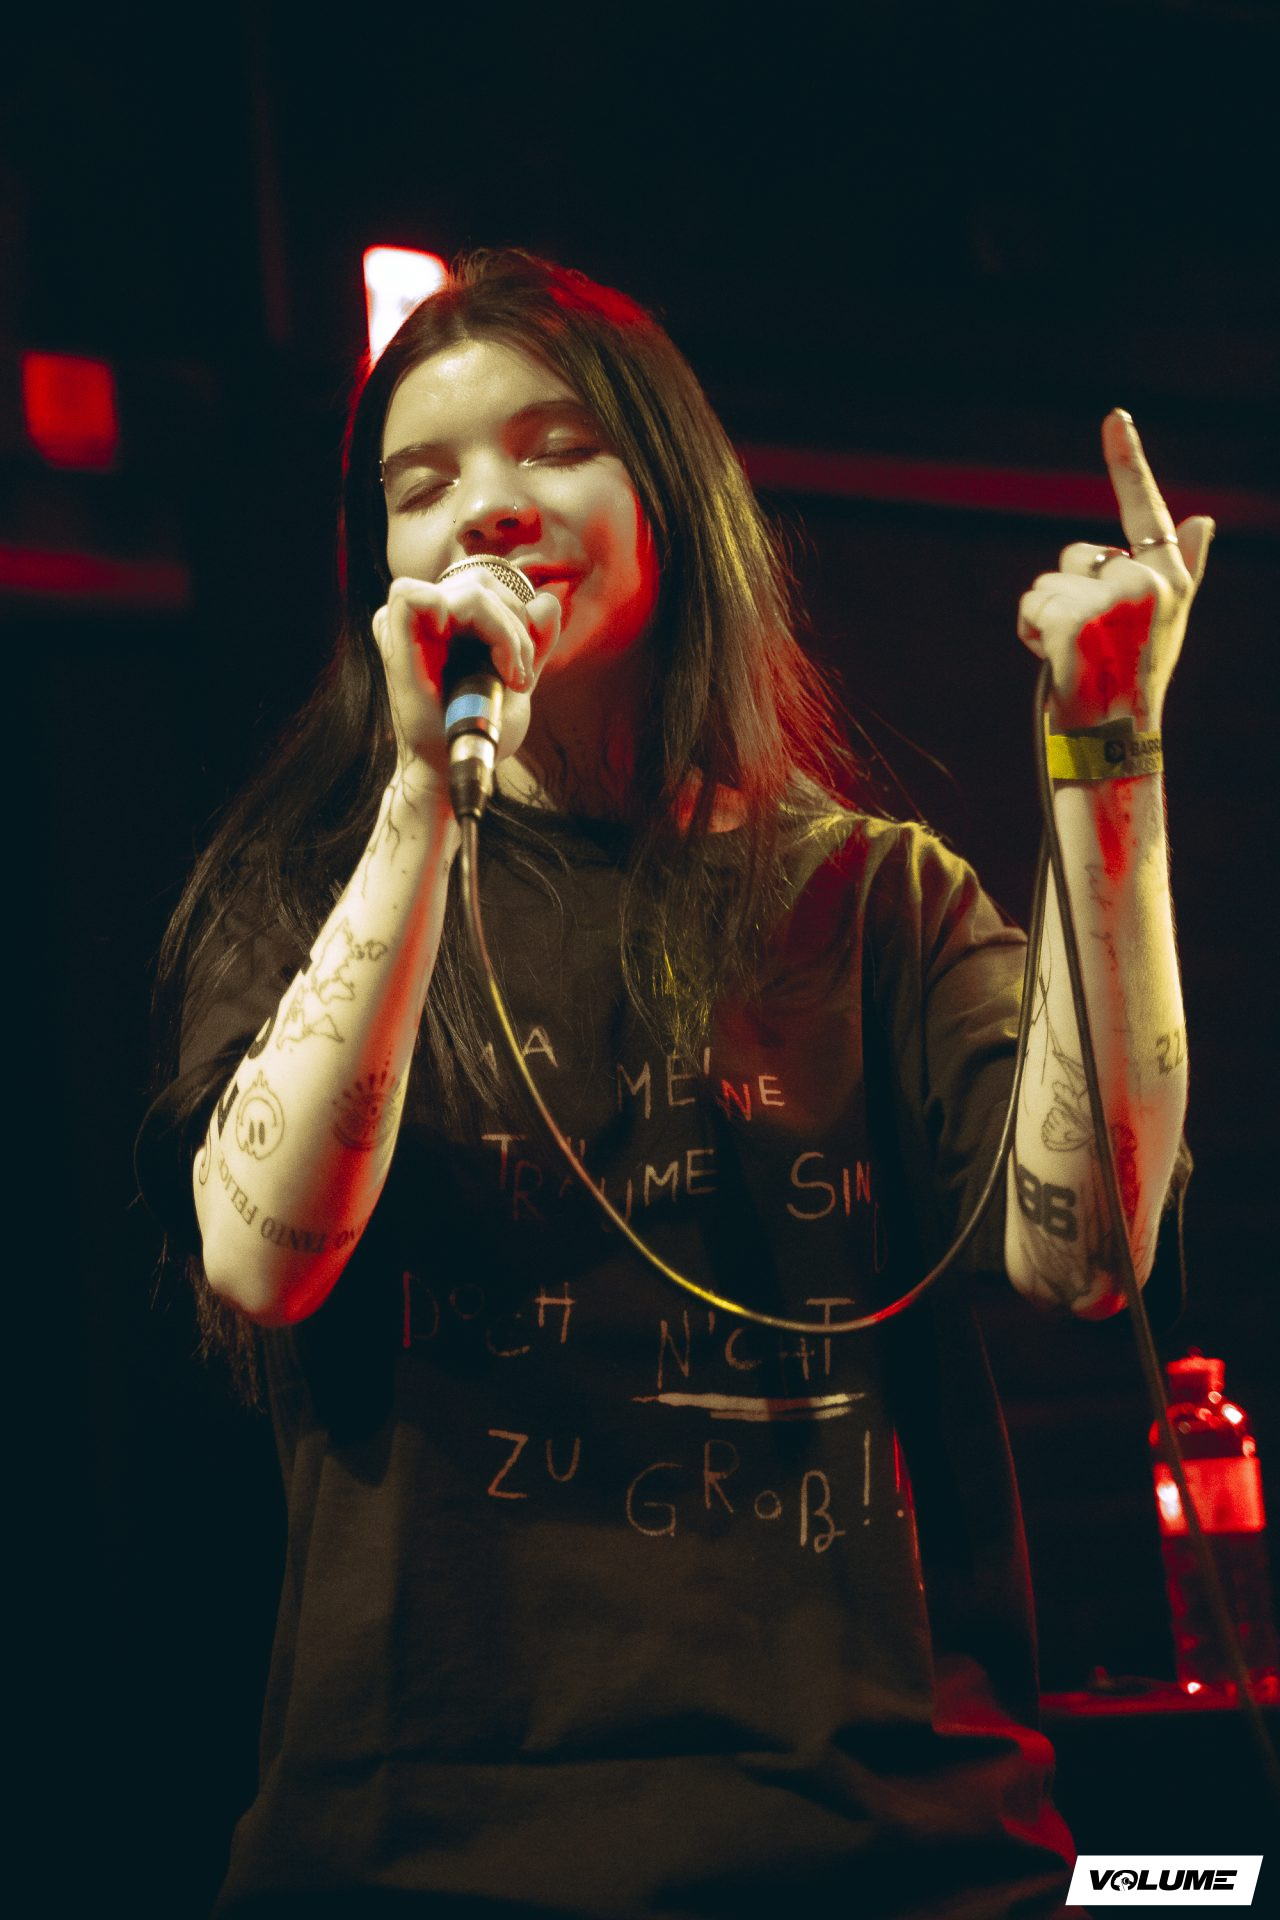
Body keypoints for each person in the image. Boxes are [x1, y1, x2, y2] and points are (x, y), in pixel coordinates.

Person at [139, 250, 1206, 1918]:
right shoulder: (307, 892)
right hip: (424, 1861)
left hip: (883, 1850)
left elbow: (1087, 1255)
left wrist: (1108, 757)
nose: (488, 505)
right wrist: (423, 795)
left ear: (674, 503)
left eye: (554, 446)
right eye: (422, 486)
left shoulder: (875, 903)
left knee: (1201, 1891)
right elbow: (263, 1262)